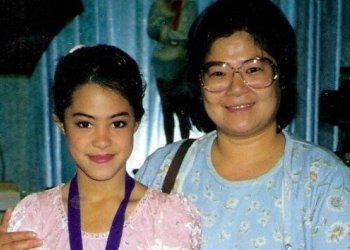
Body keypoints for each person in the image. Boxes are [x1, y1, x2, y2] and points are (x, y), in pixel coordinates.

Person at [135, 0, 350, 249]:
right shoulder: (163, 169)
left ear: (282, 76)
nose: (236, 88)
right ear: (199, 83)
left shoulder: (323, 180)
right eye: (218, 73)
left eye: (253, 69)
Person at [3, 44, 201, 249]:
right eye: (85, 124)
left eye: (117, 124)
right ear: (61, 124)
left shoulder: (167, 219)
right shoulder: (35, 217)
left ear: (136, 123)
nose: (102, 140)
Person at [148, 0, 198, 144]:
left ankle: (185, 145)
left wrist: (167, 34)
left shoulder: (188, 5)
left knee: (183, 108)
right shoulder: (159, 5)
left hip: (181, 61)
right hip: (161, 63)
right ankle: (168, 146)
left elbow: (188, 32)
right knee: (167, 109)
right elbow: (152, 29)